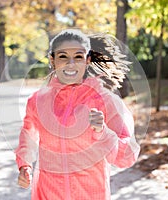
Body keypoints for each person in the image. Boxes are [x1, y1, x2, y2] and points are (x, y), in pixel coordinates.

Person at [15, 29, 140, 200]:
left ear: (88, 60)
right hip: (46, 193)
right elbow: (28, 137)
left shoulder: (105, 101)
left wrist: (102, 132)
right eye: (63, 56)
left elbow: (127, 157)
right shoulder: (38, 101)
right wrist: (24, 166)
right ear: (52, 60)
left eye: (78, 57)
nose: (70, 64)